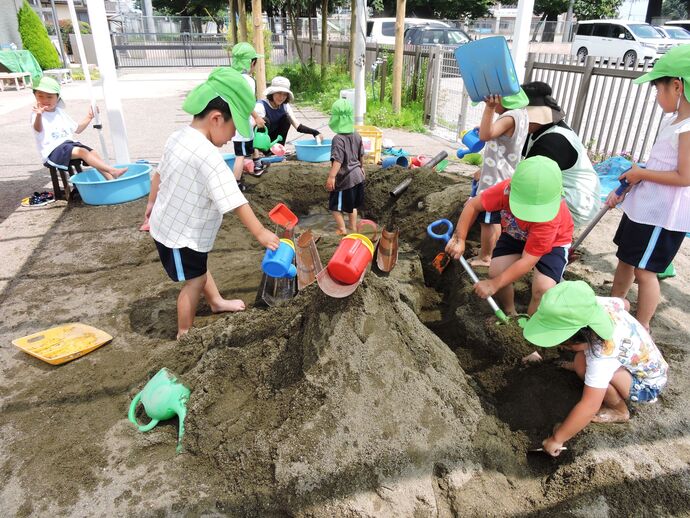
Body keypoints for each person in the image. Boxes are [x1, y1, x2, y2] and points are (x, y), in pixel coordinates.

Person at [148, 67, 280, 339]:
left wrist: (150, 206)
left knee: (200, 266)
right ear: (217, 118)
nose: (233, 136)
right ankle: (184, 331)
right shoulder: (208, 157)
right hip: (178, 236)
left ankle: (216, 301)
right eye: (234, 128)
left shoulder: (178, 137)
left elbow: (158, 174)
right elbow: (235, 200)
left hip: (176, 225)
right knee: (193, 280)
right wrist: (261, 233)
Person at [522, 281, 668, 457]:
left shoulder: (602, 356)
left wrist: (558, 438)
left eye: (564, 343)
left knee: (586, 369)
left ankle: (619, 410)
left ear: (580, 339)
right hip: (643, 362)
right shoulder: (596, 305)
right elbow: (625, 304)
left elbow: (590, 405)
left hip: (645, 384)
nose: (563, 346)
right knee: (580, 362)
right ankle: (585, 366)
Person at [605, 45, 690, 332]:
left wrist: (641, 173)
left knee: (646, 271)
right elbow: (661, 164)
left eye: (658, 89)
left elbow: (684, 176)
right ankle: (613, 306)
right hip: (645, 208)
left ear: (677, 86)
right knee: (626, 259)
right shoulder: (674, 121)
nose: (656, 96)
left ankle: (642, 327)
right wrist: (633, 180)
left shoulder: (688, 127)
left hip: (662, 216)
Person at [445, 156, 574, 316]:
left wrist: (493, 285)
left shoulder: (549, 219)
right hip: (516, 233)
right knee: (496, 271)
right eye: (524, 208)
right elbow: (473, 205)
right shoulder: (503, 191)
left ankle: (530, 328)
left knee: (543, 289)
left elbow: (527, 261)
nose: (529, 216)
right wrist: (459, 238)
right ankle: (510, 313)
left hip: (554, 242)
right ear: (511, 188)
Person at [521, 81, 601, 227]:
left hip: (576, 204)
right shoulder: (539, 129)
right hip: (566, 195)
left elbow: (528, 182)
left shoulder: (552, 141)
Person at [470, 89, 530, 267]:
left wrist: (489, 109)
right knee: (494, 218)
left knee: (488, 219)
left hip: (496, 178)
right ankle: (492, 254)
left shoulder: (509, 117)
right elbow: (497, 136)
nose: (491, 105)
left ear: (502, 100)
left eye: (493, 101)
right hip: (502, 174)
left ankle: (486, 257)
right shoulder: (520, 114)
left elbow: (485, 135)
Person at [31, 76, 127, 180]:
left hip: (68, 145)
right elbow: (38, 128)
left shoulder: (60, 112)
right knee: (83, 152)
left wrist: (90, 117)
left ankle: (110, 179)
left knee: (93, 152)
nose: (45, 100)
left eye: (49, 97)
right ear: (35, 96)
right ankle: (112, 170)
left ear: (57, 98)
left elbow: (78, 129)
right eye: (40, 96)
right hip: (52, 151)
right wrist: (39, 115)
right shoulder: (37, 114)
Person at [229, 42, 267, 190]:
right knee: (240, 154)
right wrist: (257, 117)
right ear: (252, 62)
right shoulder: (248, 80)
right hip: (241, 123)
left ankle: (257, 163)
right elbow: (247, 102)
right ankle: (236, 184)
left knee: (249, 144)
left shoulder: (231, 77)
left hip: (234, 121)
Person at [325, 99, 365, 235]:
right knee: (352, 206)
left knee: (335, 206)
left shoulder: (338, 139)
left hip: (346, 179)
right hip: (358, 176)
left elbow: (338, 159)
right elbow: (361, 154)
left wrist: (331, 177)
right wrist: (362, 167)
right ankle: (353, 229)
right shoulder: (357, 135)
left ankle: (342, 228)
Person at [254, 76, 322, 149]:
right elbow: (254, 129)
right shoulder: (261, 106)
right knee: (264, 121)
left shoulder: (285, 106)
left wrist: (315, 132)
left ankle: (278, 149)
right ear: (272, 93)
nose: (281, 97)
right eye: (279, 93)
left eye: (285, 94)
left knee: (286, 119)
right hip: (258, 142)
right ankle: (259, 151)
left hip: (274, 140)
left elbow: (298, 126)